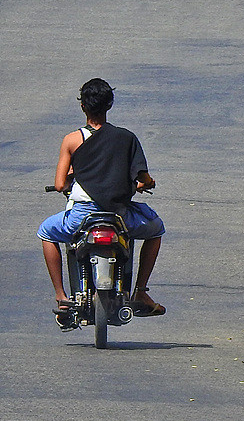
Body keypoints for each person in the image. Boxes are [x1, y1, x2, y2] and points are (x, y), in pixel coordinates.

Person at [39, 79, 166, 329]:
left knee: (46, 231)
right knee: (156, 228)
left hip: (82, 215)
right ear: (110, 105)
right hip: (119, 215)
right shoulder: (126, 138)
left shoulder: (72, 140)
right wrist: (147, 183)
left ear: (83, 106)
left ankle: (61, 296)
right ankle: (140, 290)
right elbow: (142, 177)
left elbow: (61, 184)